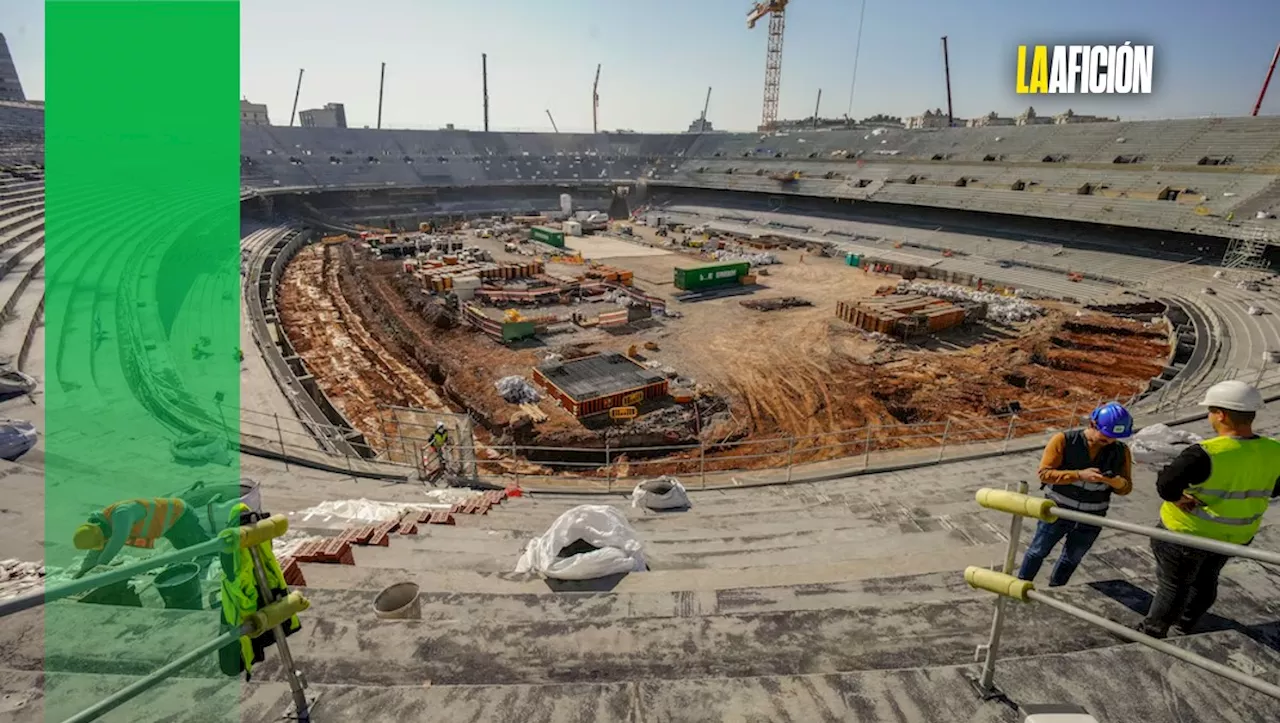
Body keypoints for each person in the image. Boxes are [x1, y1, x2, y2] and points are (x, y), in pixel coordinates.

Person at [1136, 381, 1280, 638]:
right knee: (1206, 580)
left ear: (1221, 414)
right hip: (1235, 536)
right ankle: (1186, 625)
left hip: (1186, 532)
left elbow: (1166, 486)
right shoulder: (1274, 450)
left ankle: (1152, 631)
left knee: (1173, 585)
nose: (1210, 416)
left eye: (1211, 411)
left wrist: (1180, 499)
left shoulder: (1205, 453)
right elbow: (1276, 488)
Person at [1017, 402, 1135, 586]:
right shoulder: (1064, 440)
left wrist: (1114, 482)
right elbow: (1045, 474)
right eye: (1106, 437)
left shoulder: (1121, 451)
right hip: (1057, 512)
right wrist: (1079, 475)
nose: (1110, 442)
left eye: (1115, 438)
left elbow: (1126, 487)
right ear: (1092, 425)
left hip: (1092, 518)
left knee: (1071, 558)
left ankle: (1056, 589)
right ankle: (1021, 585)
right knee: (1037, 551)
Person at [72, 498, 211, 579]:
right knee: (184, 550)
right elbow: (97, 549)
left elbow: (117, 541)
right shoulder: (104, 527)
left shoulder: (122, 514)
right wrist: (83, 571)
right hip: (167, 526)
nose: (106, 540)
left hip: (180, 515)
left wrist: (100, 568)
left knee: (203, 549)